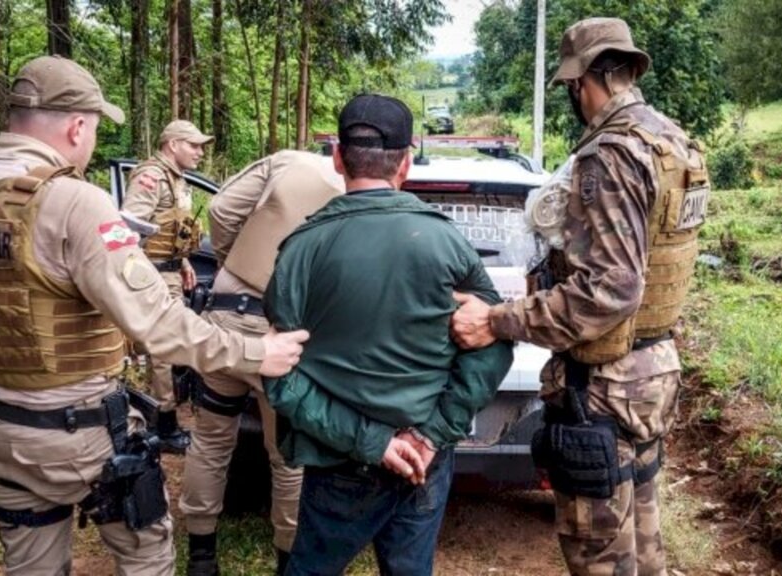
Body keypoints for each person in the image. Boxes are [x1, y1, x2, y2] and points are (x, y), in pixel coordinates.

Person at [0, 55, 308, 576]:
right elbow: (156, 322)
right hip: (79, 435)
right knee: (146, 554)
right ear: (77, 126)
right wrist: (256, 352)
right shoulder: (74, 202)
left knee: (32, 564)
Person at [451, 18, 710, 576]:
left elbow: (612, 289)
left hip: (607, 384)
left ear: (580, 82)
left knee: (600, 554)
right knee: (642, 545)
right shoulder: (671, 140)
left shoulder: (611, 154)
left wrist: (499, 320)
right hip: (652, 369)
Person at [262, 94, 514, 576]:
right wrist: (431, 434)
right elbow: (493, 340)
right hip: (424, 457)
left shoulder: (301, 251)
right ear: (407, 162)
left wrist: (372, 442)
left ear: (337, 158)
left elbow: (279, 378)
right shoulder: (448, 244)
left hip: (338, 460)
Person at [180, 150, 343, 576]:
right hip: (284, 331)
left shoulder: (286, 161)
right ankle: (287, 559)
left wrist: (232, 258)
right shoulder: (355, 193)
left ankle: (201, 555)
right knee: (287, 456)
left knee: (211, 439)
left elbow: (220, 208)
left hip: (228, 314)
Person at [121, 119, 212, 453]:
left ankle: (165, 419)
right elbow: (129, 226)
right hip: (154, 275)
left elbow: (169, 231)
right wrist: (141, 274)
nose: (200, 152)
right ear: (172, 145)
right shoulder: (153, 176)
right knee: (162, 348)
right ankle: (163, 424)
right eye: (194, 145)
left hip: (170, 271)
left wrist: (184, 260)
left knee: (168, 346)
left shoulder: (175, 180)